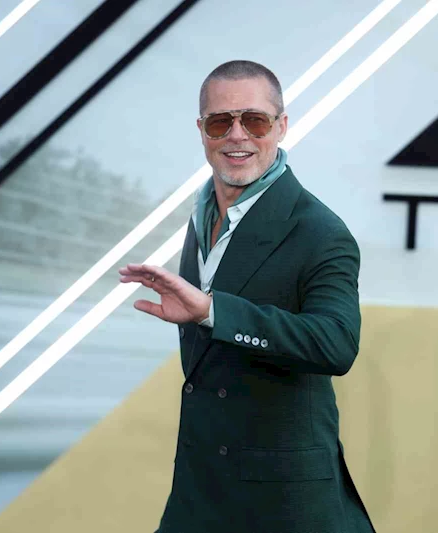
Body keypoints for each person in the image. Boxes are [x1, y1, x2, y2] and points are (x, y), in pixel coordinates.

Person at [119, 60, 375, 533]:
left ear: (281, 126)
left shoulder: (320, 231)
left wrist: (213, 312)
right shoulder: (202, 213)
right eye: (221, 122)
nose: (237, 135)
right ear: (202, 131)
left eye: (254, 120)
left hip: (281, 500)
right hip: (200, 488)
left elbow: (337, 344)